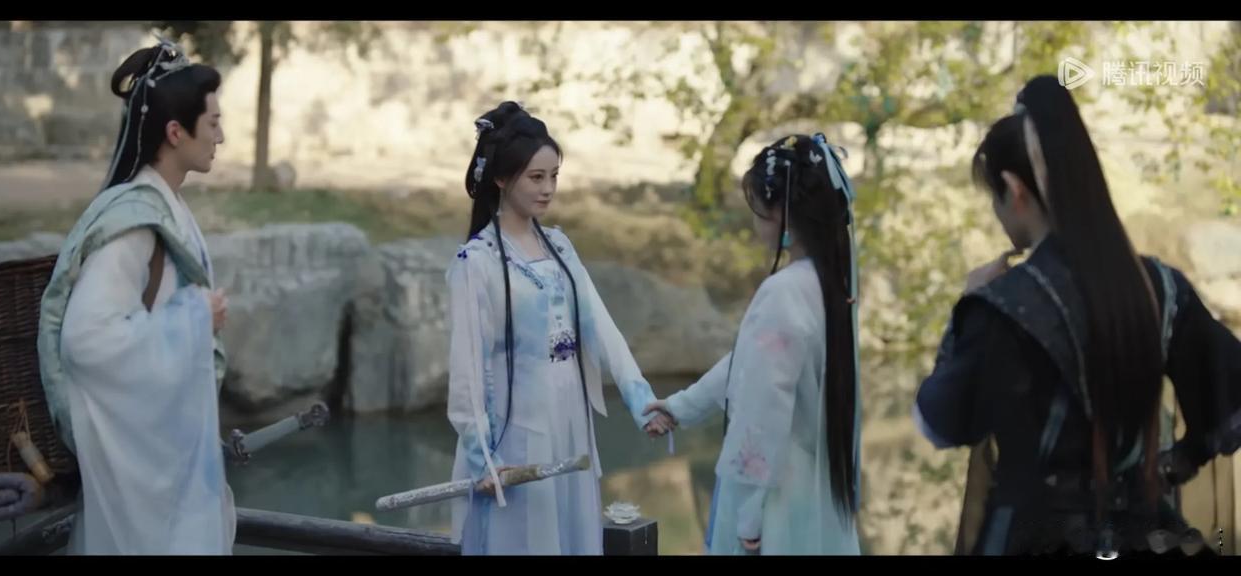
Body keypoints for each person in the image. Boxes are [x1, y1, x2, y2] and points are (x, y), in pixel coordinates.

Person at [914, 75, 1241, 556]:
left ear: (1014, 190)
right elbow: (1230, 395)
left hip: (1035, 539)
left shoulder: (1006, 304)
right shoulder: (1157, 284)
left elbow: (940, 422)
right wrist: (1171, 466)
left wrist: (966, 307)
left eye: (995, 199)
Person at [445, 102, 673, 555]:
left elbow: (602, 328)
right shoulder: (478, 262)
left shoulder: (560, 247)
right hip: (517, 432)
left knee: (572, 535)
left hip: (570, 421)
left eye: (554, 176)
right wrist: (481, 458)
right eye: (536, 177)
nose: (548, 188)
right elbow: (467, 370)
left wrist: (642, 401)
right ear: (501, 178)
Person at [37, 38, 234, 554]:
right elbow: (86, 341)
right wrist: (194, 317)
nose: (221, 136)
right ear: (175, 132)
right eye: (213, 122)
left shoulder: (170, 208)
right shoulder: (134, 223)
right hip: (140, 472)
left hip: (166, 454)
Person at [645, 133, 863, 555]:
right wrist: (680, 407)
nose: (755, 223)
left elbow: (764, 408)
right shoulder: (832, 283)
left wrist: (750, 514)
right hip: (818, 486)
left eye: (758, 212)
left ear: (781, 215)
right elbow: (747, 362)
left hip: (777, 494)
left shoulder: (783, 292)